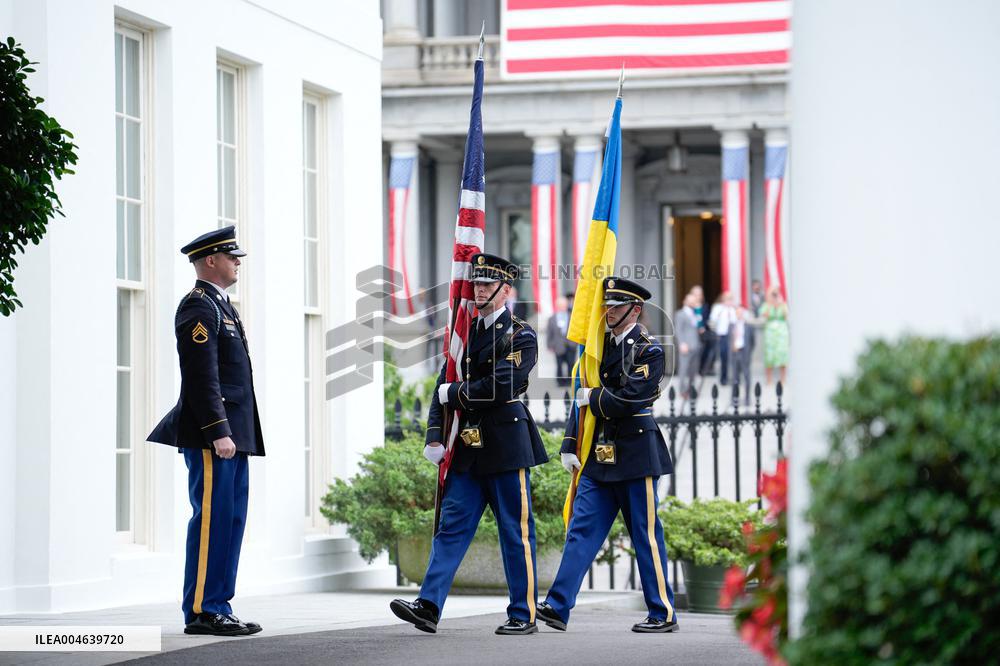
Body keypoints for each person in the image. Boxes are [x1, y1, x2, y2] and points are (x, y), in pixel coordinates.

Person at [390, 253, 549, 636]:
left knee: (515, 531)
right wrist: (433, 434)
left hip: (506, 446)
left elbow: (499, 386)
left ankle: (522, 612)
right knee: (451, 528)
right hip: (466, 447)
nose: (478, 289)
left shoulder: (520, 334)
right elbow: (441, 387)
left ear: (505, 290)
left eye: (487, 284)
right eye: (475, 283)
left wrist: (454, 393)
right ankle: (428, 605)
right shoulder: (464, 331)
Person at [537, 277, 678, 634]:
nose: (608, 312)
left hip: (635, 454)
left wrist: (594, 398)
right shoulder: (596, 349)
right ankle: (557, 604)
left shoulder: (650, 350)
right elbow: (579, 395)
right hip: (598, 455)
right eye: (607, 305)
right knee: (581, 530)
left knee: (644, 535)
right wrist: (570, 443)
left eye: (616, 306)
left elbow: (631, 398)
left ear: (636, 310)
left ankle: (662, 611)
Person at [148, 225, 264, 637]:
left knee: (231, 520)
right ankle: (202, 609)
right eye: (232, 257)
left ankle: (220, 605)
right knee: (213, 519)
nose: (237, 263)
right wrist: (218, 430)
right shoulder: (199, 307)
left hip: (235, 435)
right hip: (214, 436)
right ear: (210, 260)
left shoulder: (223, 306)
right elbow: (201, 377)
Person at [760, 286, 790, 385]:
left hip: (781, 332)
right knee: (769, 356)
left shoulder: (783, 304)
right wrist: (770, 304)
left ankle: (783, 379)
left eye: (776, 294)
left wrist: (780, 304)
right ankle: (769, 380)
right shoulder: (767, 305)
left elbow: (786, 316)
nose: (775, 296)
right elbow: (764, 315)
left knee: (782, 355)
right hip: (770, 333)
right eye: (773, 294)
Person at [673, 294, 701, 399]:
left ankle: (691, 389)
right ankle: (682, 391)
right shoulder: (681, 314)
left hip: (695, 346)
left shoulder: (695, 314)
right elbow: (678, 330)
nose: (694, 302)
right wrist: (682, 343)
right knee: (684, 370)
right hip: (686, 346)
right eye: (692, 300)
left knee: (693, 371)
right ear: (686, 301)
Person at [708, 291, 736, 385]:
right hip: (722, 336)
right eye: (728, 299)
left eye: (730, 299)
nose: (729, 301)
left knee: (733, 358)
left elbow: (735, 321)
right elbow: (712, 320)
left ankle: (734, 377)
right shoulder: (718, 308)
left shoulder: (733, 309)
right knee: (723, 357)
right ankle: (723, 378)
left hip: (732, 337)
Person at [729, 306, 755, 404]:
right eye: (737, 313)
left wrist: (748, 351)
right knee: (735, 377)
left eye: (741, 313)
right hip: (735, 353)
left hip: (744, 353)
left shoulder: (748, 327)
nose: (739, 314)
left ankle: (747, 398)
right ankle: (734, 398)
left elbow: (753, 342)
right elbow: (729, 340)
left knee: (747, 376)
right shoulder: (731, 326)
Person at [546, 296, 573, 386]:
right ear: (557, 306)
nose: (562, 307)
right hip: (558, 345)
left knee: (570, 364)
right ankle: (560, 381)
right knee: (559, 365)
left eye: (564, 305)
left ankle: (570, 381)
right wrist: (549, 345)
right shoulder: (552, 318)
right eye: (560, 305)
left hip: (570, 344)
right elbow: (549, 332)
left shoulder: (572, 317)